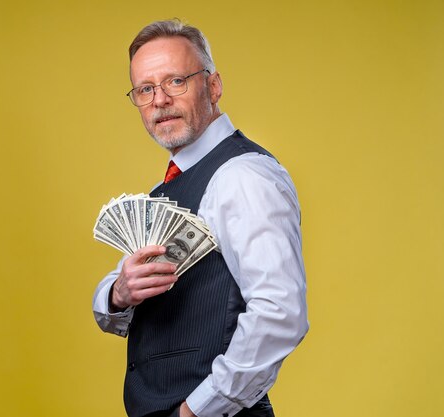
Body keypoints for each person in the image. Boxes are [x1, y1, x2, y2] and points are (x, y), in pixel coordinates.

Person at [93, 19, 308, 417]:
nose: (159, 100)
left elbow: (280, 314)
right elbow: (111, 311)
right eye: (145, 89)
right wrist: (119, 292)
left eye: (175, 81)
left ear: (213, 86)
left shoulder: (243, 176)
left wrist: (195, 411)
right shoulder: (166, 189)